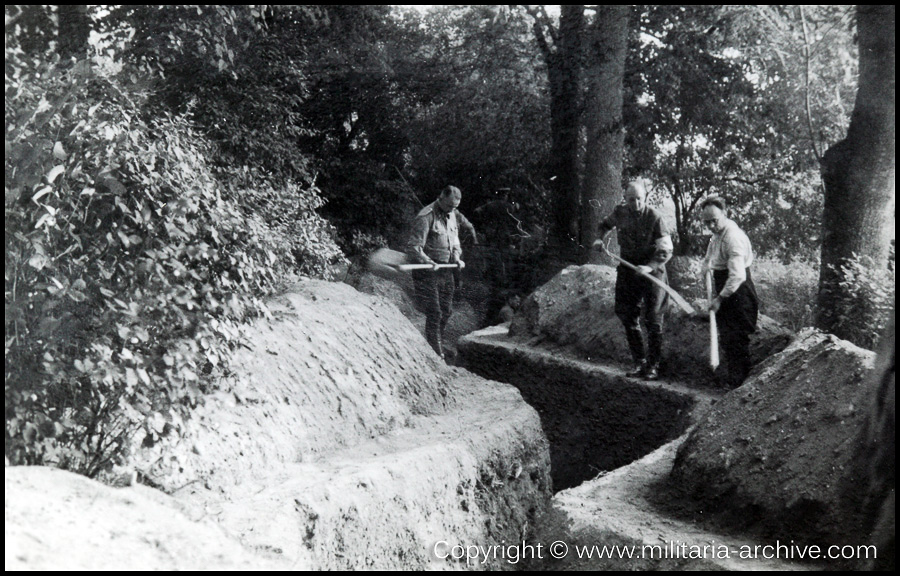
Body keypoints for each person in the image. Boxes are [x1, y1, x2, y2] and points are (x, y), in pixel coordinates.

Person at [592, 179, 673, 380]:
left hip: (653, 270)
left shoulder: (654, 217)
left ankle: (654, 365)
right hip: (628, 268)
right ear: (625, 199)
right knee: (627, 314)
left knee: (654, 318)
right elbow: (604, 225)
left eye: (639, 199)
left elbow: (666, 250)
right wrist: (599, 239)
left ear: (645, 198)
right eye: (631, 200)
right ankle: (640, 362)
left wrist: (650, 267)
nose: (635, 204)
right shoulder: (620, 212)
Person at [698, 196, 759, 388]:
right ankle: (733, 381)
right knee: (727, 338)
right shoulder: (716, 236)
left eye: (714, 220)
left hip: (739, 293)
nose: (711, 225)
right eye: (706, 222)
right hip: (725, 288)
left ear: (724, 214)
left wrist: (719, 299)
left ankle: (740, 385)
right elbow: (708, 259)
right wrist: (705, 268)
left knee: (737, 339)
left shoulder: (733, 237)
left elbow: (738, 276)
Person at [407, 185, 466, 360]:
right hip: (427, 270)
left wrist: (456, 256)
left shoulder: (452, 215)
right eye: (449, 206)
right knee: (435, 311)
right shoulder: (426, 216)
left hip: (446, 269)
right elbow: (413, 248)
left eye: (455, 207)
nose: (452, 210)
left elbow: (455, 241)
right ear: (440, 198)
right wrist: (427, 261)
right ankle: (435, 351)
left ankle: (435, 343)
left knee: (447, 310)